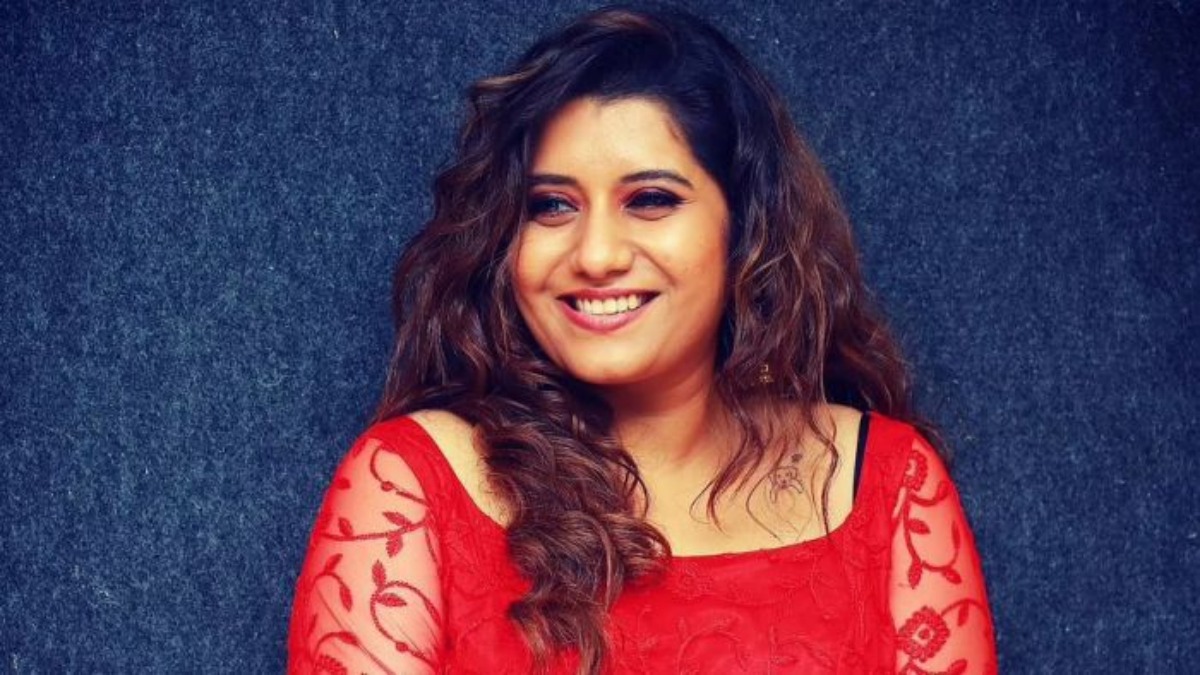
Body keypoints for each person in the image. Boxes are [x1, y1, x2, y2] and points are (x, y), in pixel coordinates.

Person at [287, 5, 996, 674]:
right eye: (551, 206)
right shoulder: (409, 488)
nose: (596, 254)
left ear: (745, 230)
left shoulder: (886, 484)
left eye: (651, 200)